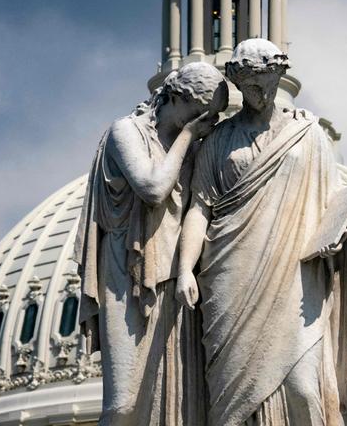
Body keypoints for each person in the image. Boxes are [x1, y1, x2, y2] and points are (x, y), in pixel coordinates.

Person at [177, 39, 347, 426]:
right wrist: (186, 268)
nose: (259, 92)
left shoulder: (309, 134)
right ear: (236, 83)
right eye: (250, 85)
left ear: (280, 75)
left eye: (266, 82)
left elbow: (333, 203)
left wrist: (340, 234)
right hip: (230, 274)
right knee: (230, 399)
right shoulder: (217, 141)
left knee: (303, 386)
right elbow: (199, 208)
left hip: (295, 276)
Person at [74, 62, 228, 426]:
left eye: (215, 116)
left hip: (176, 280)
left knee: (178, 406)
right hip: (126, 274)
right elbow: (153, 189)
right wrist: (189, 136)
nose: (210, 123)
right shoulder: (124, 132)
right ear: (177, 98)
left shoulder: (198, 148)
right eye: (202, 113)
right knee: (123, 405)